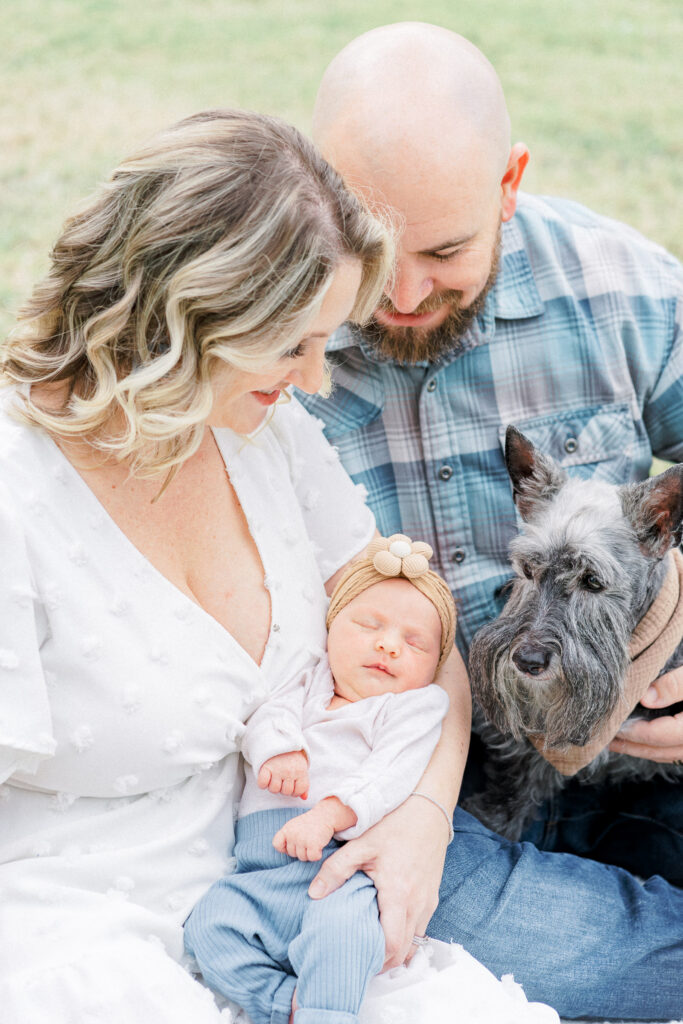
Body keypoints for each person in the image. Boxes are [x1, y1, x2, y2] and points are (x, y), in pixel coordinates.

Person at [0, 107, 472, 1022]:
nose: (313, 380)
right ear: (181, 313)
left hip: (304, 881)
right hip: (80, 921)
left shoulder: (263, 429)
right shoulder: (17, 493)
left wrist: (425, 819)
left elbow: (422, 631)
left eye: (321, 343)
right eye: (289, 343)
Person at [297, 22, 683, 1021]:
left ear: (508, 183)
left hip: (635, 741)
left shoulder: (620, 287)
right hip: (419, 782)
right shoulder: (274, 344)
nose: (403, 295)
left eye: (445, 251)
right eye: (370, 251)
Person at [184, 537, 455, 1024]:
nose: (388, 644)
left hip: (341, 870)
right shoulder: (310, 679)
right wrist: (281, 749)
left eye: (414, 643)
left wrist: (330, 814)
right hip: (260, 875)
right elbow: (269, 715)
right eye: (369, 625)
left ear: (435, 666)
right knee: (208, 927)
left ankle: (326, 1014)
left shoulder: (412, 707)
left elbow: (391, 773)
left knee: (346, 934)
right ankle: (281, 1002)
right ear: (330, 629)